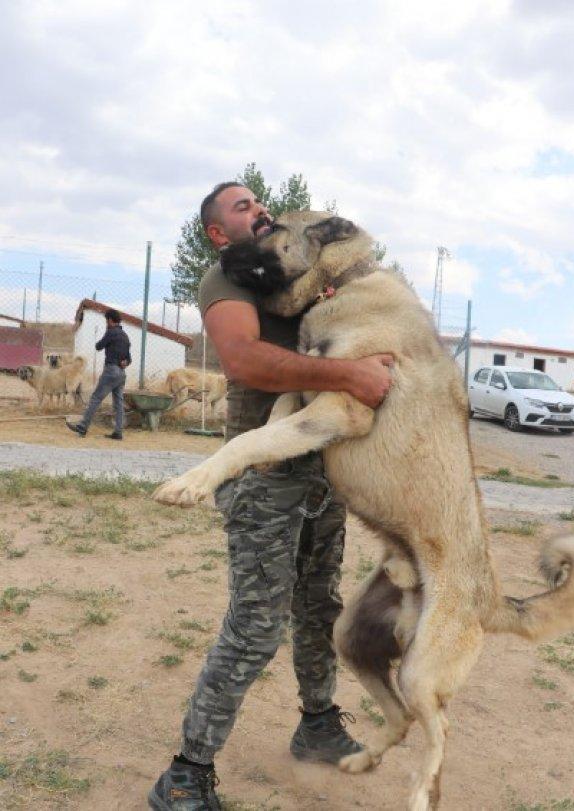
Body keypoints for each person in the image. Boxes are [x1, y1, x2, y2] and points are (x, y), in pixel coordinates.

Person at [149, 184, 393, 811]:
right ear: (217, 233)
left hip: (323, 465)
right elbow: (246, 362)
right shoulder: (224, 280)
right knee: (256, 626)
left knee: (318, 609)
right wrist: (351, 373)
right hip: (263, 476)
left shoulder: (297, 275)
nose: (259, 210)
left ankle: (318, 725)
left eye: (259, 203)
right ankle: (186, 773)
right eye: (242, 207)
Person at [66, 308, 131, 440]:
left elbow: (99, 346)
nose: (106, 323)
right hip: (121, 373)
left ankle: (82, 427)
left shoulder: (111, 332)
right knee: (118, 403)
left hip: (111, 370)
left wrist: (103, 336)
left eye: (106, 321)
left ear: (110, 320)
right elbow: (129, 359)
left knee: (96, 398)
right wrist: (126, 362)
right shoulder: (125, 336)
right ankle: (118, 432)